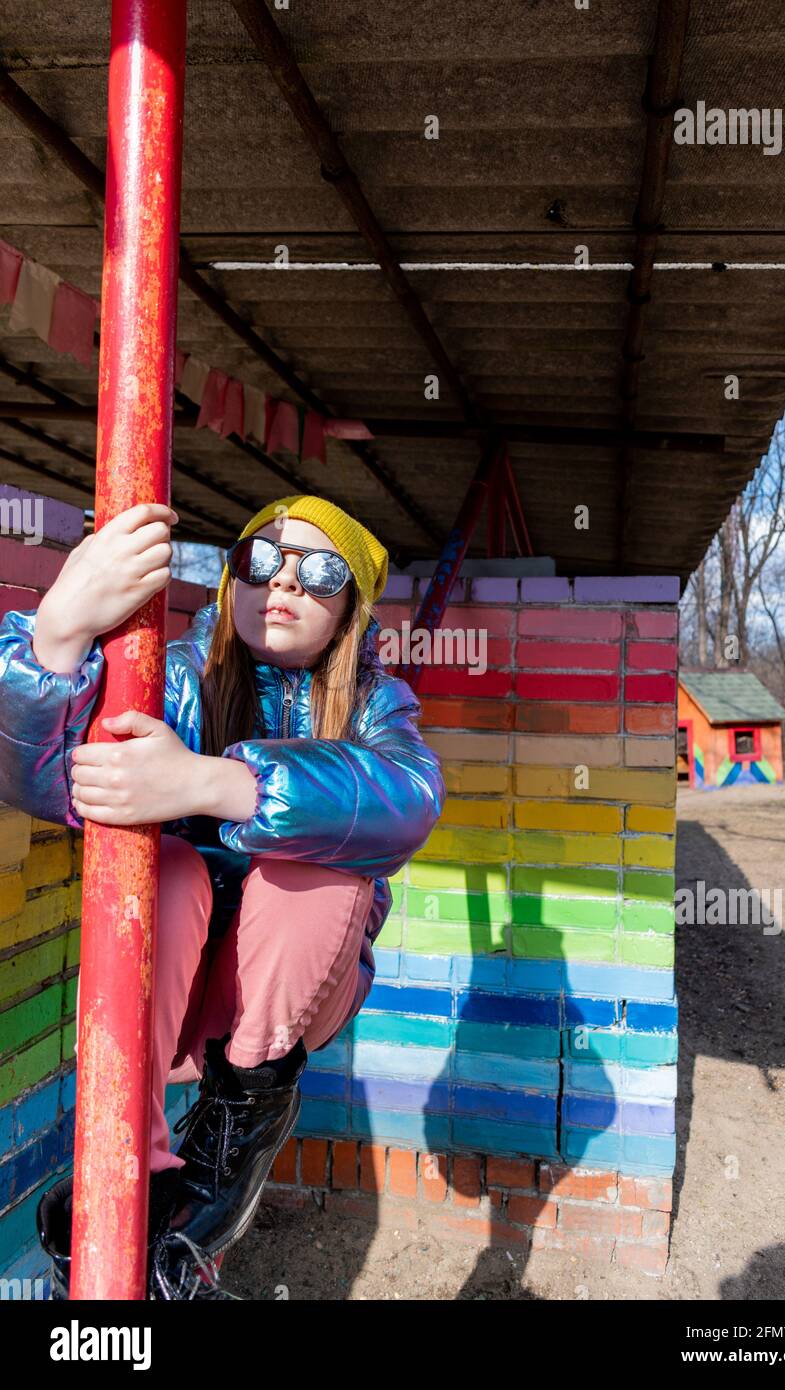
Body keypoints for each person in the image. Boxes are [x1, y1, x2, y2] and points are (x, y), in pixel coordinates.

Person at [0, 494, 445, 1298]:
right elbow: (51, 776)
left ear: (351, 609)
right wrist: (58, 630)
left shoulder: (375, 700)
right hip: (174, 981)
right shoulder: (177, 675)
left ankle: (231, 1138)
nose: (282, 585)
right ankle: (132, 1155)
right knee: (165, 866)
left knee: (316, 870)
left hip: (284, 999)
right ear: (230, 578)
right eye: (259, 562)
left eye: (319, 573)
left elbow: (409, 798)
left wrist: (213, 781)